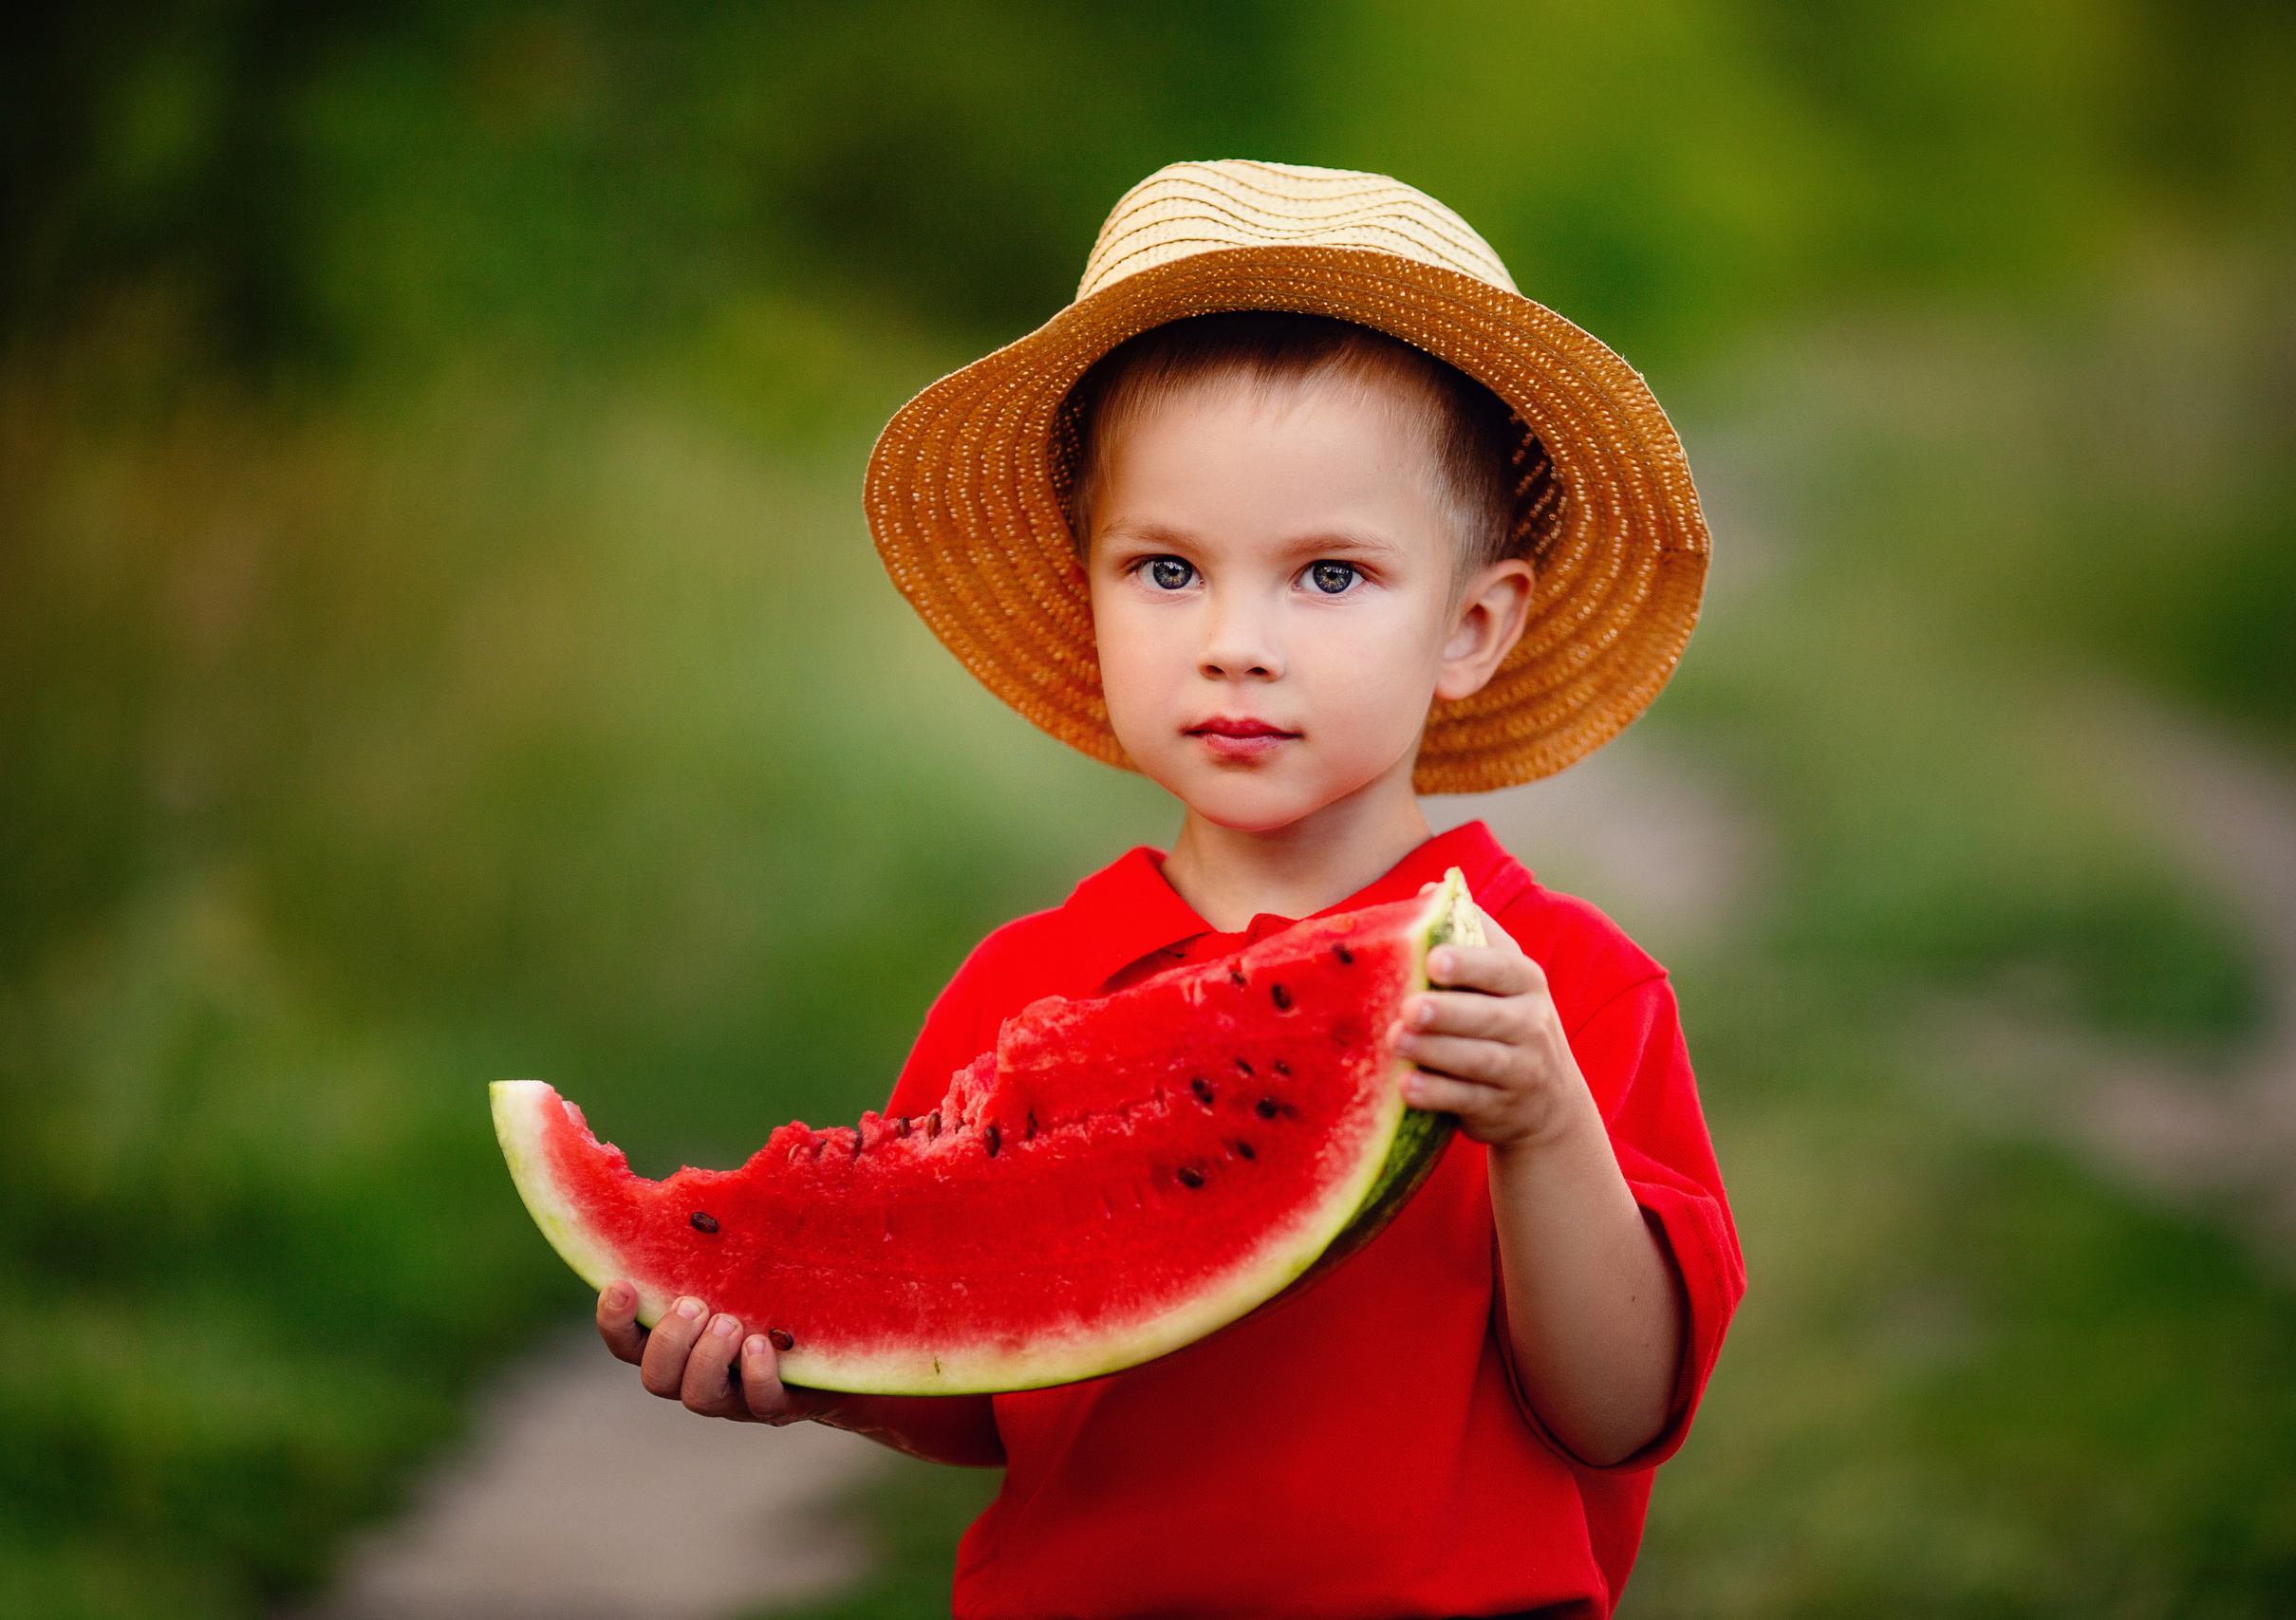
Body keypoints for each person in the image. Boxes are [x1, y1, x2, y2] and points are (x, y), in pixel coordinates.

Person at [595, 160, 1742, 1617]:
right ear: (1088, 593)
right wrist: (801, 1353)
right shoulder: (1029, 986)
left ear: (1470, 627)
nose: (1236, 643)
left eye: (1327, 576)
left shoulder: (1560, 993)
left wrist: (1543, 1124)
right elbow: (969, 1357)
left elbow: (1622, 1409)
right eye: (1167, 571)